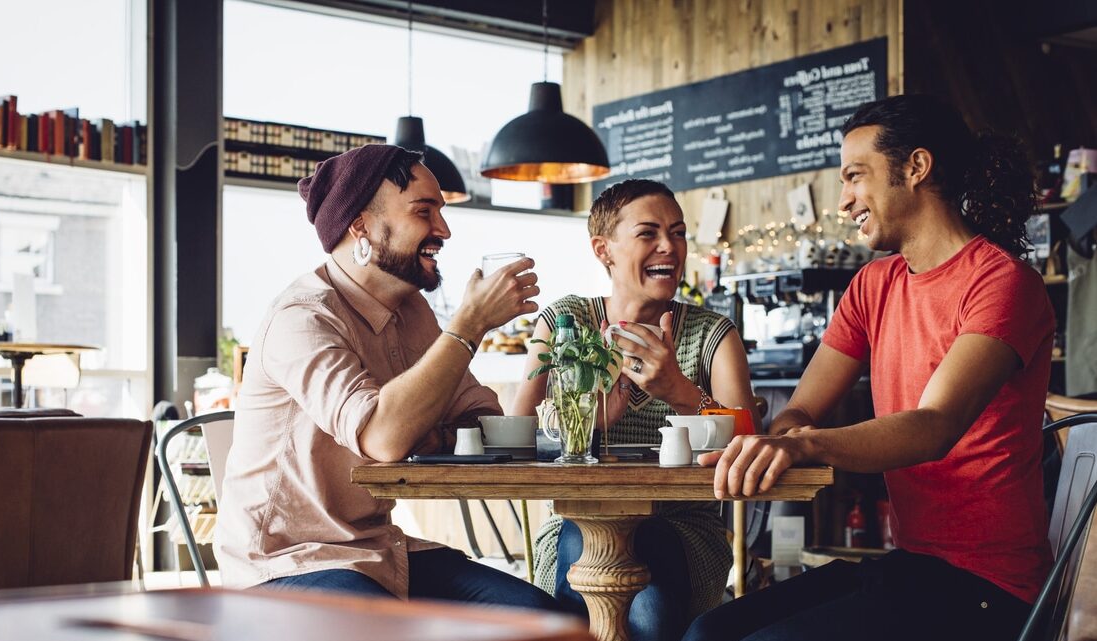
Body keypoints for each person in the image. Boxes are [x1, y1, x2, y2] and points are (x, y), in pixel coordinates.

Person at [683, 94, 1055, 641]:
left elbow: (935, 426)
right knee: (707, 633)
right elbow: (804, 406)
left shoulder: (1001, 283)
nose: (843, 201)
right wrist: (784, 435)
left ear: (916, 168)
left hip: (991, 589)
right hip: (911, 566)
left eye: (855, 176)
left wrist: (804, 445)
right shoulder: (874, 285)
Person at [216, 144, 556, 610]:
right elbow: (384, 437)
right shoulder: (303, 319)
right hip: (287, 564)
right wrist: (469, 325)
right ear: (361, 225)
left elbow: (480, 418)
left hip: (381, 551)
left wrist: (429, 428)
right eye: (425, 210)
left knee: (551, 619)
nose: (444, 230)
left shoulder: (414, 312)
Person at [511, 178, 759, 639]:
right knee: (593, 549)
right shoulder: (566, 322)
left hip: (684, 533)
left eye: (679, 232)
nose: (670, 246)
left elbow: (751, 438)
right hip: (574, 527)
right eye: (649, 233)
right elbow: (517, 435)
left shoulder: (711, 332)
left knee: (645, 600)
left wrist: (678, 390)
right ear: (603, 250)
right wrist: (582, 425)